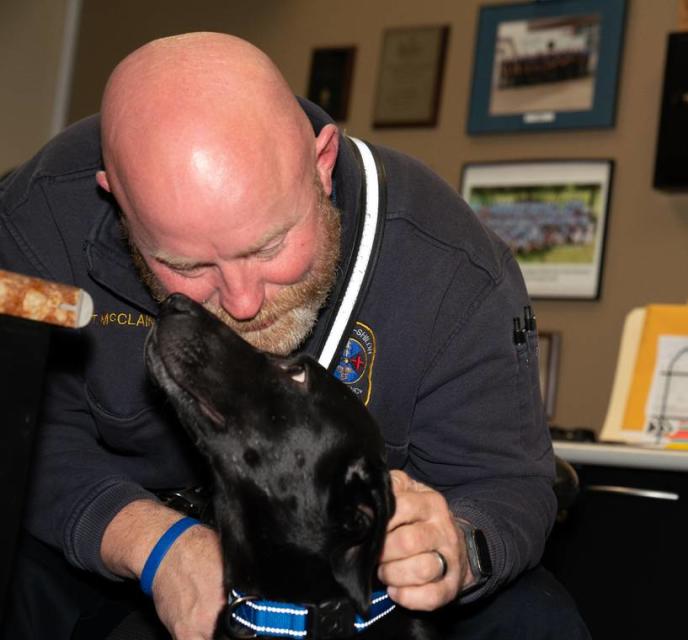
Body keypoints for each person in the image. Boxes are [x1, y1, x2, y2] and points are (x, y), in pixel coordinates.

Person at [0, 32, 589, 639]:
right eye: (187, 266)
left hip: (348, 576)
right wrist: (154, 545)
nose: (243, 301)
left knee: (534, 621)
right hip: (115, 539)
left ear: (322, 165)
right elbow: (30, 439)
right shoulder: (39, 220)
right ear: (115, 202)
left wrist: (454, 544)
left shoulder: (451, 269)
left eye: (269, 246)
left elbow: (508, 482)